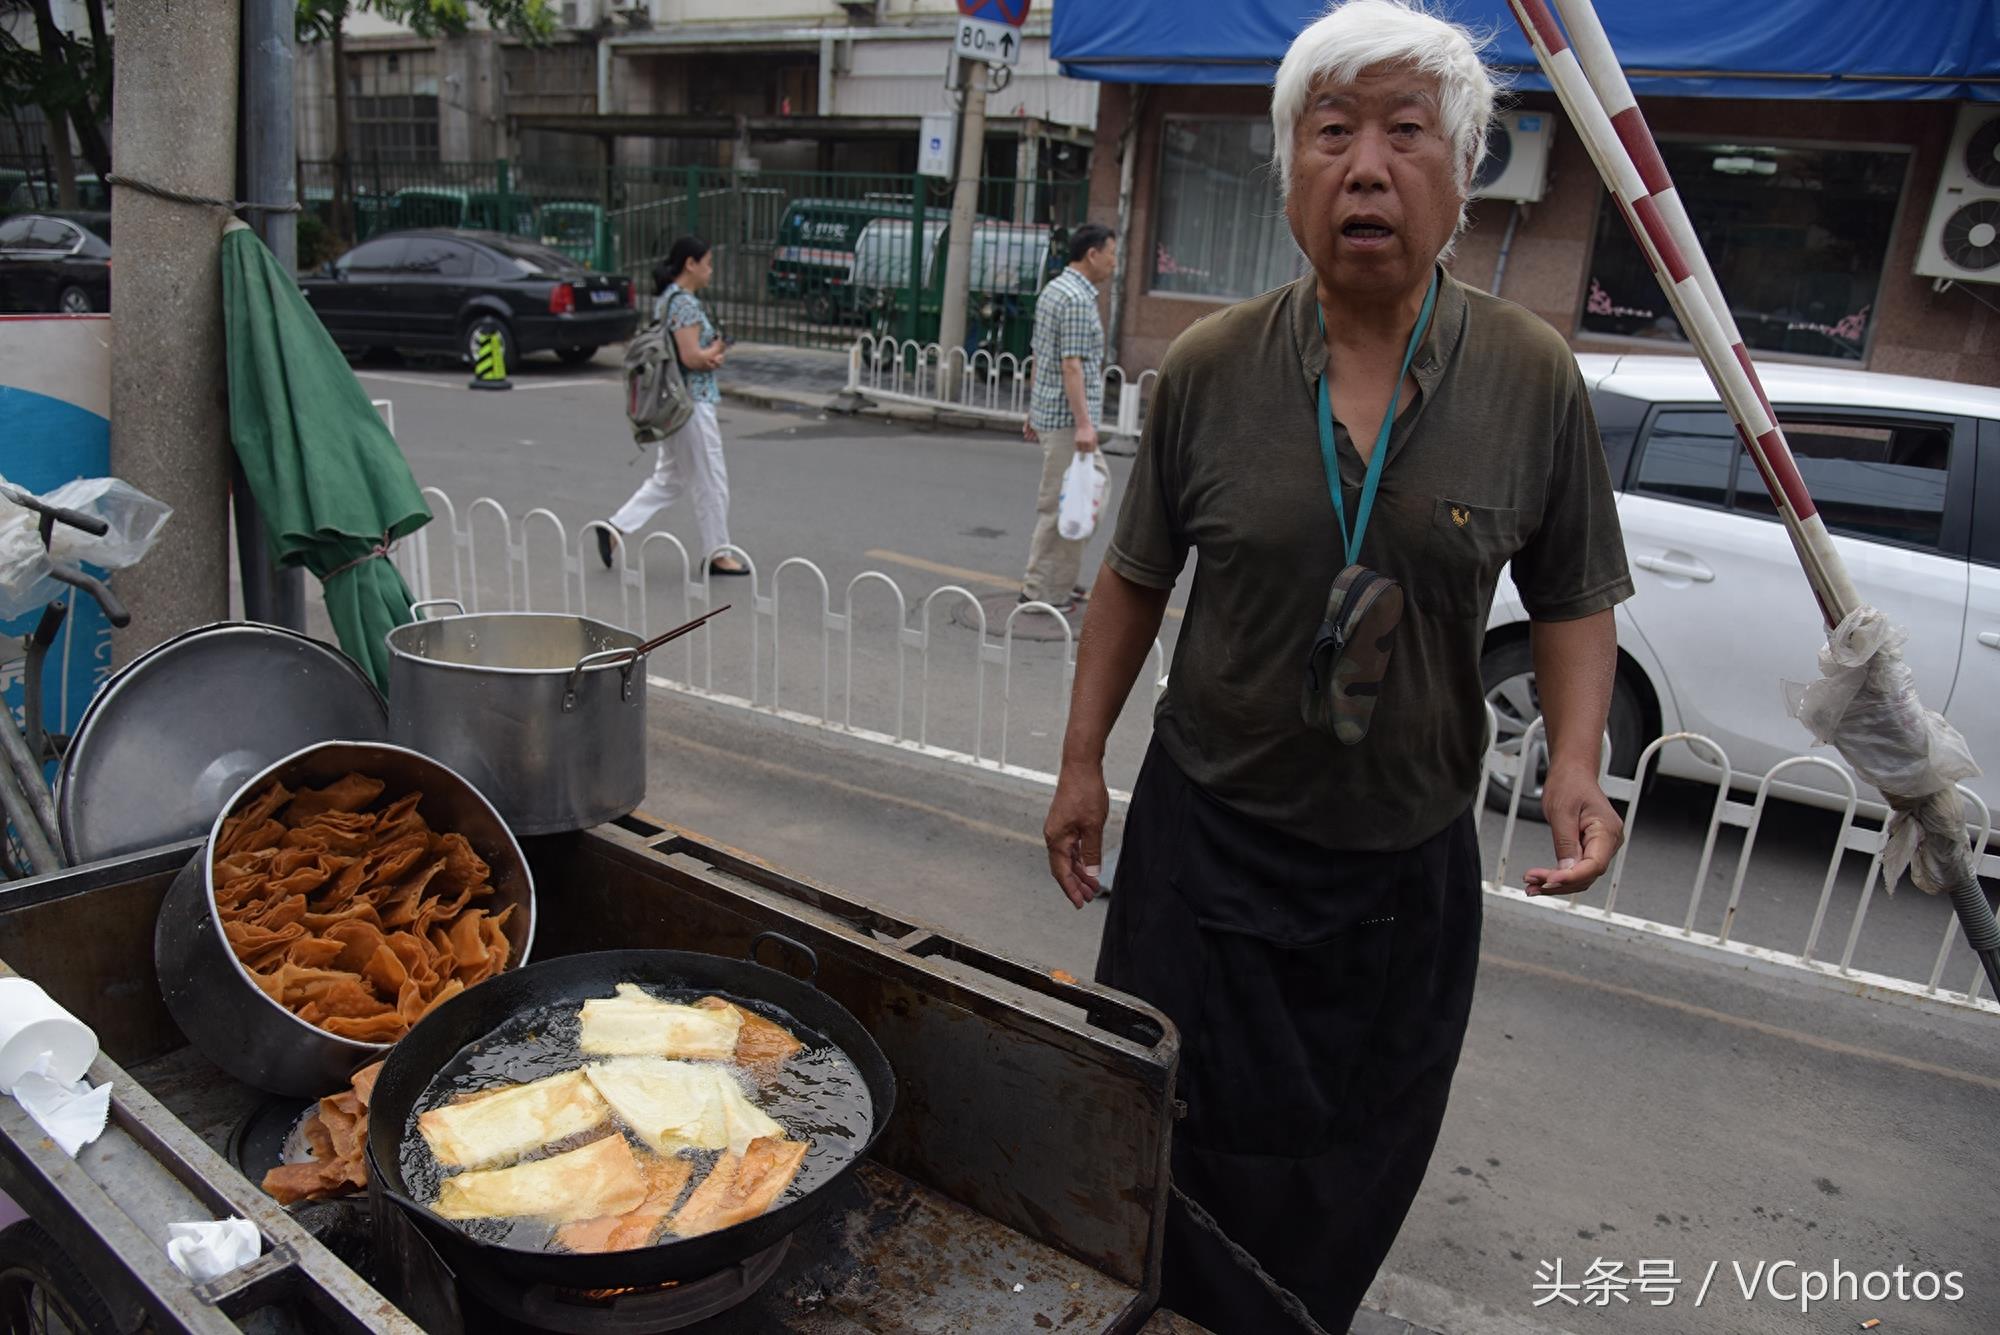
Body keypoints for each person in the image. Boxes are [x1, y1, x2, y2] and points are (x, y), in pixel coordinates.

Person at [1040, 2, 1634, 1330]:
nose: (1367, 166)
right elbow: (1135, 577)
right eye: (1333, 132)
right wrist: (1082, 762)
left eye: (1406, 132)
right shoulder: (1208, 366)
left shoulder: (1532, 377)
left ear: (1462, 168)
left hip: (1401, 868)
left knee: (1349, 1163)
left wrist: (1579, 762)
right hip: (1207, 848)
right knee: (1166, 1139)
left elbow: (1575, 590)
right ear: (1291, 172)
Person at [598, 237, 748, 577]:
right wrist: (717, 351)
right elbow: (691, 357)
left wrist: (707, 354)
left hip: (675, 403)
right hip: (691, 404)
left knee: (670, 479)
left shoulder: (668, 300)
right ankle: (718, 554)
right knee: (711, 479)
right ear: (690, 264)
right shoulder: (685, 305)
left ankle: (614, 528)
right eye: (707, 263)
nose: (711, 270)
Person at [1019, 222, 1117, 615]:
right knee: (1066, 505)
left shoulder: (1055, 289)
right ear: (1092, 254)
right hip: (1066, 420)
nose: (1114, 262)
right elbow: (1070, 365)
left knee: (1078, 500)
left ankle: (1057, 580)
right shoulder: (1076, 298)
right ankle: (1038, 590)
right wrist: (1084, 424)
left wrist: (1032, 408)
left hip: (1052, 413)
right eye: (1111, 253)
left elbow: (1040, 355)